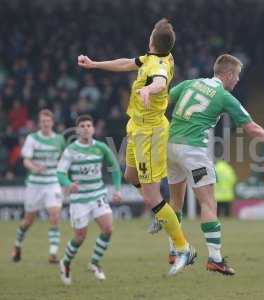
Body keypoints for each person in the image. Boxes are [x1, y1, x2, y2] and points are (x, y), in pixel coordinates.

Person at [155, 54, 264, 275]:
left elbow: (161, 100)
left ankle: (174, 251)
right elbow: (252, 129)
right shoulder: (223, 96)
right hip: (193, 151)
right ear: (228, 74)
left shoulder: (190, 83)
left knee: (176, 202)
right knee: (209, 204)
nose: (238, 81)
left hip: (171, 147)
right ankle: (215, 259)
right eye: (237, 76)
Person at [77, 18, 195, 276]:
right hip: (136, 127)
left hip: (150, 133)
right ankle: (162, 212)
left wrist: (149, 91)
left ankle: (183, 247)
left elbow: (161, 81)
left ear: (152, 40)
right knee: (131, 176)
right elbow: (126, 63)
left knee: (152, 197)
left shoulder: (160, 64)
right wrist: (95, 64)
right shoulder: (156, 57)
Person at [57, 115, 122, 285]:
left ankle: (94, 263)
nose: (86, 128)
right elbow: (60, 173)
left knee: (108, 228)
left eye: (89, 125)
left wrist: (117, 189)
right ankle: (65, 262)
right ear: (78, 130)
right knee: (80, 237)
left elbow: (114, 167)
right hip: (79, 199)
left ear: (93, 129)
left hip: (98, 195)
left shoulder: (101, 147)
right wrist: (68, 183)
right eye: (82, 126)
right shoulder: (71, 150)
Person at [11, 109, 65, 264]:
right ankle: (17, 245)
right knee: (28, 221)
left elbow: (64, 160)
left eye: (48, 121)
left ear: (52, 122)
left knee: (54, 216)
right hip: (35, 184)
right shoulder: (32, 138)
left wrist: (66, 179)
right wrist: (34, 167)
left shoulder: (60, 139)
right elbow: (26, 160)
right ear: (39, 123)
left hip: (52, 183)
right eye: (43, 121)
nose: (46, 124)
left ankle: (53, 253)